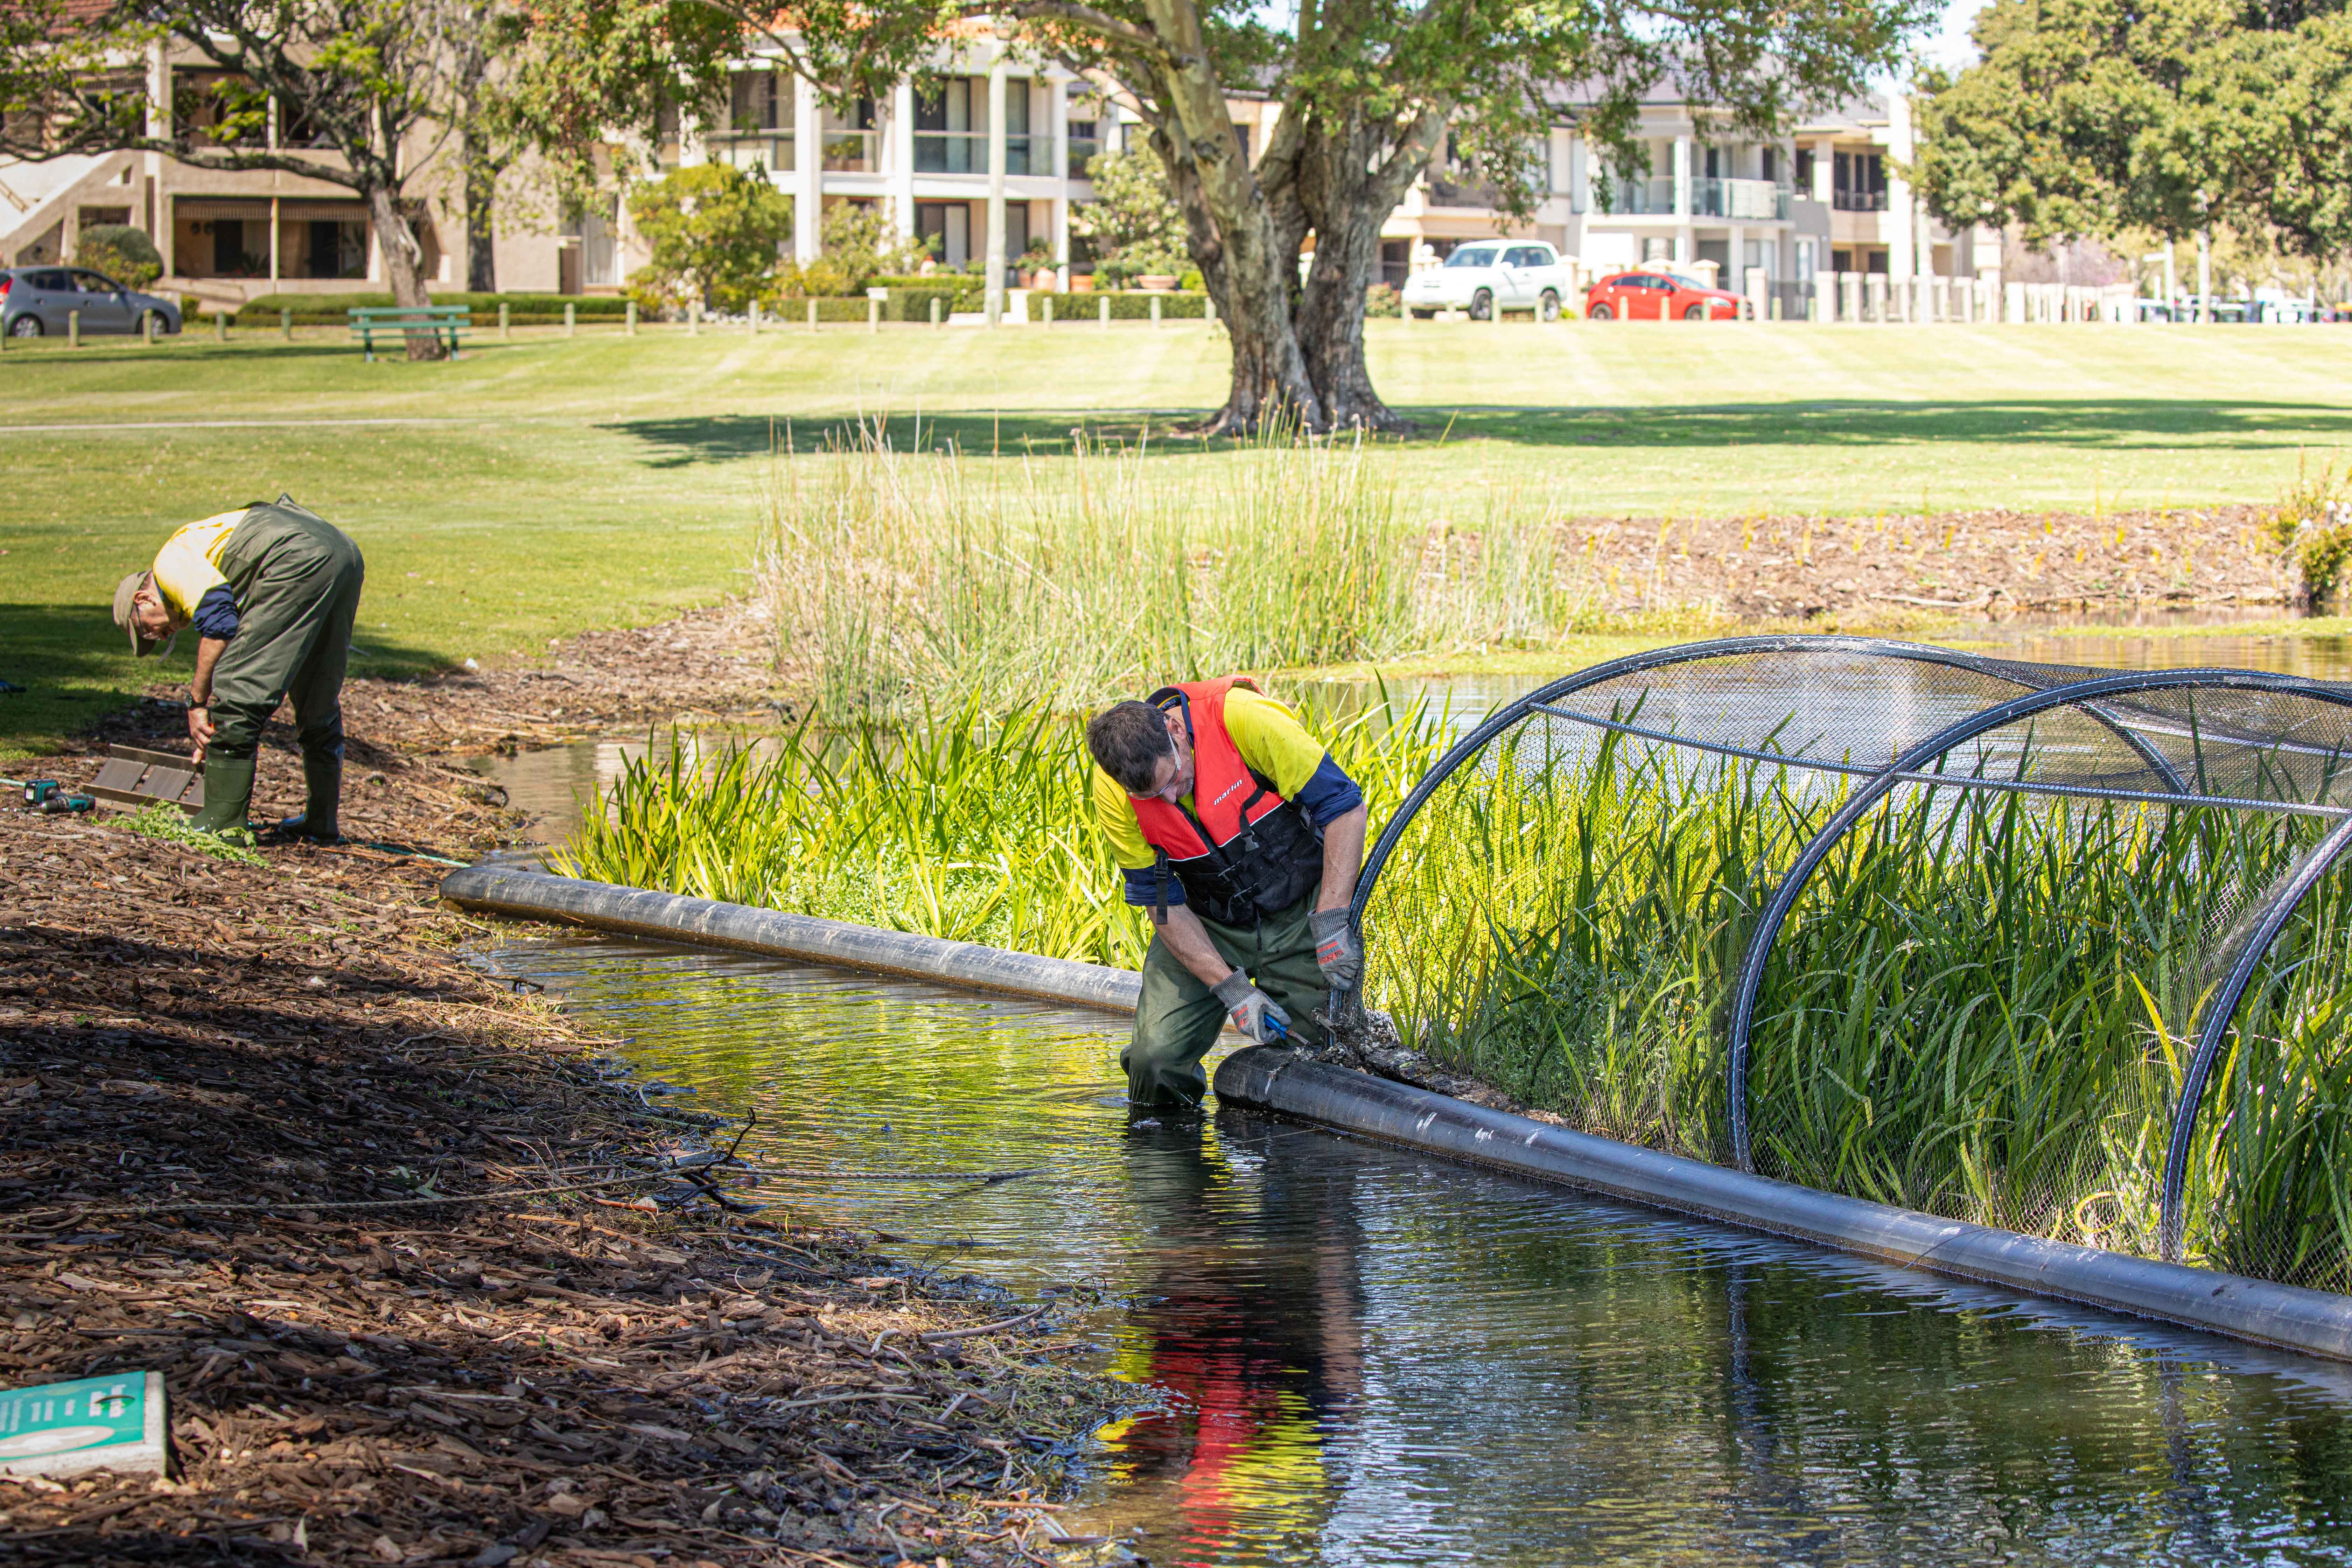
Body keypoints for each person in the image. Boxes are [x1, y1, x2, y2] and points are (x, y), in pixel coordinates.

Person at [1086, 676, 1368, 1112]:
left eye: (1172, 780)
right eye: (1151, 796)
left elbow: (1344, 807)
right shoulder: (1111, 787)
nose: (1169, 798)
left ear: (1175, 731)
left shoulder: (1243, 718)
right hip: (1207, 922)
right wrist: (1231, 990)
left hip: (1301, 913)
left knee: (1319, 1066)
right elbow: (1161, 901)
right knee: (1155, 1060)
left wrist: (1331, 918)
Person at [110, 495, 365, 843]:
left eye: (146, 629)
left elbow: (220, 624)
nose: (157, 635)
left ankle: (222, 823)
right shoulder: (204, 557)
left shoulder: (170, 562)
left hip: (296, 557)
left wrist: (197, 702)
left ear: (143, 600)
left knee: (237, 689)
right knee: (316, 695)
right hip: (344, 554)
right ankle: (321, 821)